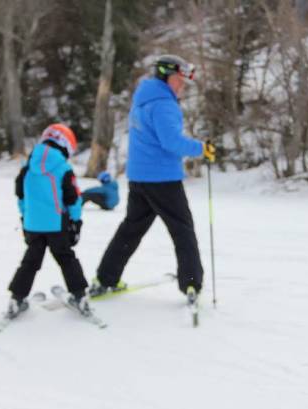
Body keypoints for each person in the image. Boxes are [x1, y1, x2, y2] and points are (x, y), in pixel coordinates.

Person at [91, 54, 216, 303]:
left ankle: (106, 279)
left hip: (140, 178)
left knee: (131, 229)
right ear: (166, 76)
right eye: (179, 79)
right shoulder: (163, 104)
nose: (182, 85)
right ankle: (191, 284)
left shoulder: (143, 99)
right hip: (163, 179)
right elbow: (171, 142)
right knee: (182, 230)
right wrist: (202, 148)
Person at [5, 123, 89, 317]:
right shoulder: (63, 167)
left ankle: (16, 298)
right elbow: (73, 198)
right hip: (57, 224)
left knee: (30, 262)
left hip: (33, 224)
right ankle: (79, 295)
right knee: (66, 258)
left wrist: (25, 217)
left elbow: (21, 196)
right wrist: (76, 222)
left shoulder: (27, 167)